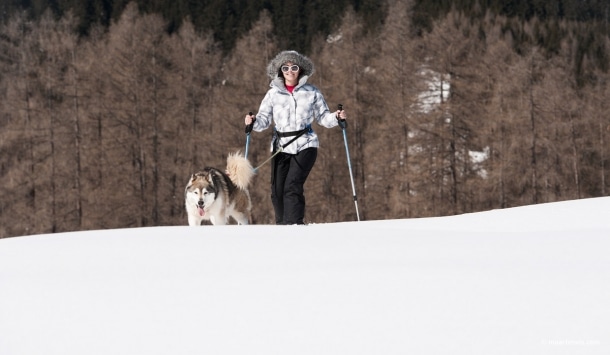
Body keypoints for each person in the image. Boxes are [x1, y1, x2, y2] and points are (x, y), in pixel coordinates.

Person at [245, 50, 347, 225]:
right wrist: (253, 121)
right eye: (285, 67)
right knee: (277, 192)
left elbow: (323, 118)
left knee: (292, 186)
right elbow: (263, 121)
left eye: (294, 67)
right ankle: (282, 226)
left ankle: (294, 227)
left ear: (300, 69)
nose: (290, 71)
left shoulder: (312, 92)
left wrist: (336, 117)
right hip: (281, 147)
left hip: (305, 143)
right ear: (280, 71)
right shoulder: (272, 94)